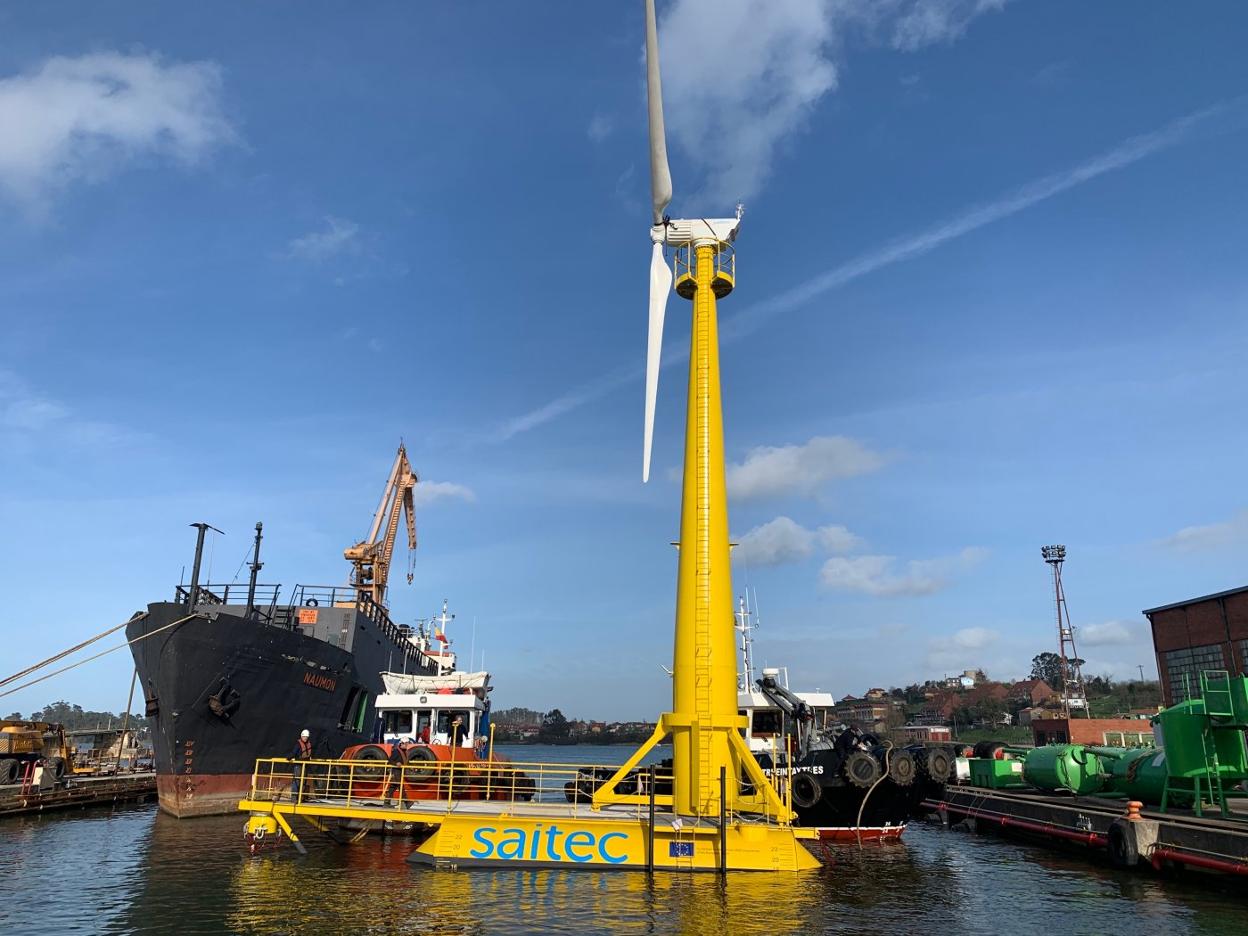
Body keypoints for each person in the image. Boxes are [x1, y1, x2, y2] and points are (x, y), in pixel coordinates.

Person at [291, 729, 313, 800]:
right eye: (304, 737)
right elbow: (294, 753)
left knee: (303, 781)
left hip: (305, 765)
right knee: (297, 781)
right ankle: (294, 798)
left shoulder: (308, 744)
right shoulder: (298, 744)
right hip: (298, 765)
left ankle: (300, 797)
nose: (305, 738)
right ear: (302, 736)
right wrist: (288, 758)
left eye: (306, 737)